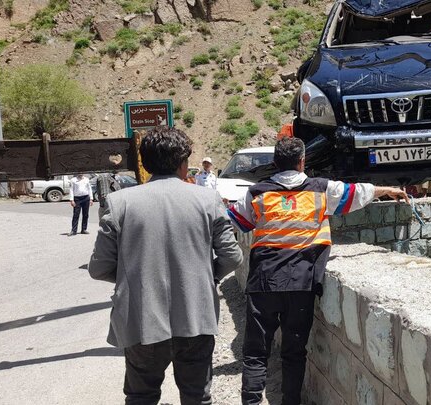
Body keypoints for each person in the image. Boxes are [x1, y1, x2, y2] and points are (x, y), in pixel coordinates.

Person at [228, 137, 408, 405]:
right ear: (302, 162)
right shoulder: (322, 189)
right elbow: (357, 193)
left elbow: (237, 221)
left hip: (263, 281)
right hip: (302, 281)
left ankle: (251, 401)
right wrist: (387, 190)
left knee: (255, 352)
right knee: (294, 352)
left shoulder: (258, 192)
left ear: (275, 163)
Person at [88, 127, 243, 405]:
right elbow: (232, 257)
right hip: (196, 318)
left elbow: (99, 268)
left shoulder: (119, 203)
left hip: (140, 321)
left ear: (145, 164)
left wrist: (133, 278)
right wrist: (207, 278)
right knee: (197, 397)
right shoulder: (208, 200)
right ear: (183, 163)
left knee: (141, 397)